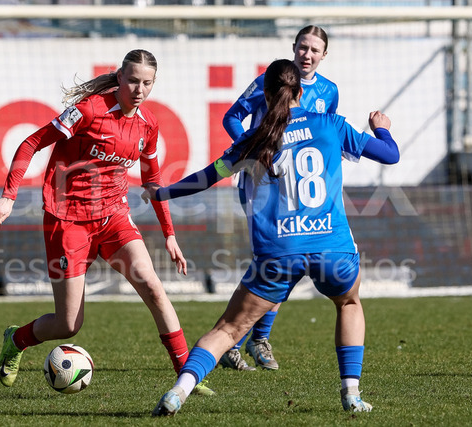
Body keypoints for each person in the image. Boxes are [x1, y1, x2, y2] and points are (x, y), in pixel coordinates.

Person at [143, 59, 400, 415]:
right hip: (331, 246)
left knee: (229, 329)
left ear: (264, 95)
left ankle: (179, 391)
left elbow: (208, 176)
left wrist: (162, 193)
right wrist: (381, 129)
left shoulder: (253, 140)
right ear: (300, 92)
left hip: (279, 250)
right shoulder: (331, 124)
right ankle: (352, 395)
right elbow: (390, 155)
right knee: (348, 303)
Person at [0, 49, 213, 396]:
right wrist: (8, 196)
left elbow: (153, 182)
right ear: (120, 77)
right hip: (67, 220)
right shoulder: (89, 110)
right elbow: (31, 143)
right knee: (68, 325)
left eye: (147, 83)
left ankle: (186, 375)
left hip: (113, 217)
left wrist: (169, 233)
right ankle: (16, 340)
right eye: (133, 80)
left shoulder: (148, 124)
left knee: (153, 287)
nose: (139, 89)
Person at [219, 25, 338, 371]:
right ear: (293, 47)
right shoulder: (268, 81)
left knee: (283, 264)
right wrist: (251, 150)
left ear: (324, 55)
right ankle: (239, 341)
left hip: (299, 192)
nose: (307, 54)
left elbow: (326, 138)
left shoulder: (329, 92)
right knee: (273, 262)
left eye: (314, 50)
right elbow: (232, 117)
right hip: (262, 185)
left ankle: (251, 340)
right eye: (302, 47)